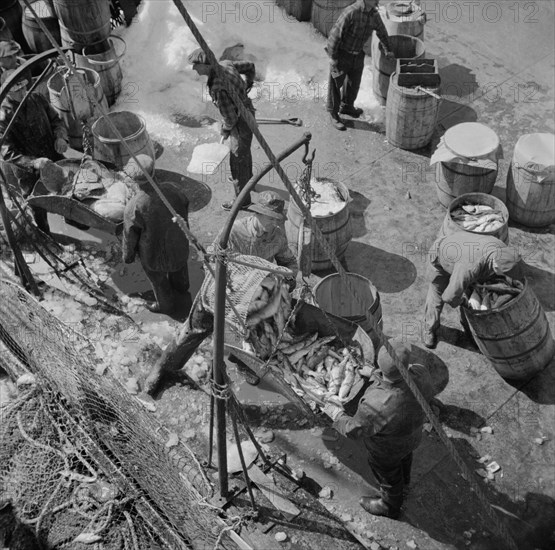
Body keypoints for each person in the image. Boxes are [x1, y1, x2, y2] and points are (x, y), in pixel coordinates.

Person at [323, 338, 434, 519]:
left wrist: (336, 415)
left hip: (385, 451)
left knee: (388, 475)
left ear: (382, 368)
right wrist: (375, 373)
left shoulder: (376, 404)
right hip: (413, 437)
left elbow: (354, 430)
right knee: (405, 457)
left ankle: (389, 505)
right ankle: (404, 482)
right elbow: (399, 378)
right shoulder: (422, 374)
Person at [422, 232, 521, 349]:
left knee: (467, 288)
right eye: (503, 273)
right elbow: (448, 297)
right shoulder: (470, 267)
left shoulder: (501, 248)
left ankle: (469, 328)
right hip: (441, 256)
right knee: (437, 293)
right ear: (495, 265)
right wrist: (463, 302)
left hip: (462, 249)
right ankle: (429, 327)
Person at [0, 69, 68, 233]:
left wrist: (60, 137)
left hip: (52, 155)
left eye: (24, 87)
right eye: (17, 90)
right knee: (36, 203)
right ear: (7, 90)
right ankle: (45, 233)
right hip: (27, 170)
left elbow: (56, 120)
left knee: (66, 188)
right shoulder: (3, 116)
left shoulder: (36, 98)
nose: (23, 92)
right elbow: (7, 153)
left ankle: (72, 218)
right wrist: (34, 162)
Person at [188, 48, 256, 210]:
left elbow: (231, 118)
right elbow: (250, 66)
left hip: (240, 122)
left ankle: (242, 200)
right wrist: (249, 82)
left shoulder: (218, 86)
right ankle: (249, 180)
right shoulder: (226, 64)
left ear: (206, 65)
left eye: (196, 65)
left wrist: (225, 129)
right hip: (248, 111)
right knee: (244, 152)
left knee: (237, 160)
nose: (193, 68)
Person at [122, 155, 190, 314]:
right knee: (179, 266)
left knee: (158, 279)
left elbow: (130, 235)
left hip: (153, 253)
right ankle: (182, 287)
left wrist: (128, 256)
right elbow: (184, 210)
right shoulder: (174, 190)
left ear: (134, 180)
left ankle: (165, 305)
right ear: (154, 171)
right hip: (178, 243)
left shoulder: (134, 206)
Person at [326, 0, 394, 131]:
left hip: (358, 54)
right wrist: (333, 58)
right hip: (342, 54)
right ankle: (333, 114)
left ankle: (347, 106)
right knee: (335, 84)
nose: (377, 1)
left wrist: (388, 49)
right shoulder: (351, 12)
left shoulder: (374, 14)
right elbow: (334, 35)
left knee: (354, 83)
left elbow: (382, 31)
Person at [223, 191, 298, 281]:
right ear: (257, 214)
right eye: (271, 218)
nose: (275, 224)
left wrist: (289, 278)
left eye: (277, 219)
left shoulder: (277, 235)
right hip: (237, 284)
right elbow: (214, 260)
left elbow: (289, 261)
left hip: (265, 284)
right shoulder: (234, 232)